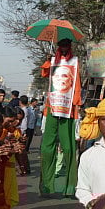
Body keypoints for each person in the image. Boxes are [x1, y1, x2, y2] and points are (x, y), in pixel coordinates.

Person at [40, 38, 82, 197]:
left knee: (69, 148)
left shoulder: (75, 62)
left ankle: (70, 188)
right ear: (58, 47)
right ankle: (46, 186)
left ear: (69, 47)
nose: (64, 48)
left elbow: (77, 84)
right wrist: (48, 61)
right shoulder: (53, 61)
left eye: (66, 46)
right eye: (61, 46)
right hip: (52, 107)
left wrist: (77, 105)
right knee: (47, 147)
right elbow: (44, 73)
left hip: (68, 109)